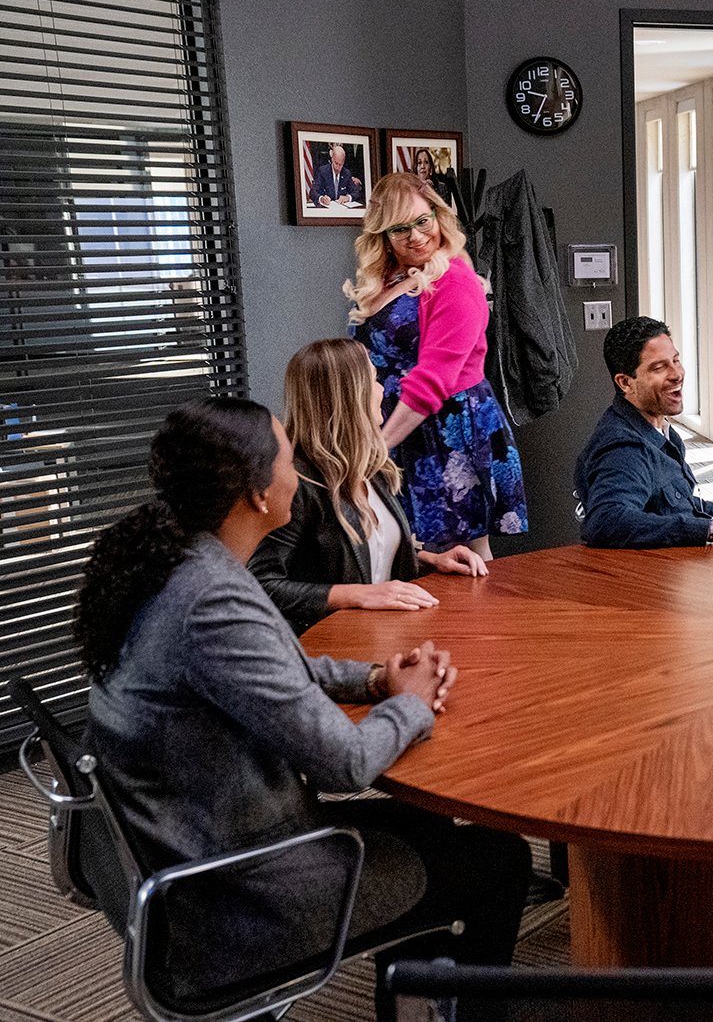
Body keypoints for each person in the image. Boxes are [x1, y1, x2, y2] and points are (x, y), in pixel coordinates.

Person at [76, 397, 530, 1020]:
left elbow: (274, 671)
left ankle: (414, 1004)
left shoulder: (180, 564)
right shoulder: (214, 600)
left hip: (200, 842)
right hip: (237, 894)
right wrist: (412, 704)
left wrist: (376, 681)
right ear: (257, 494)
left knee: (439, 831)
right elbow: (346, 764)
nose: (300, 471)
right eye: (289, 457)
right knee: (498, 859)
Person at [249, 338, 489, 635]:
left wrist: (431, 560)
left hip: (387, 632)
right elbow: (261, 585)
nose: (383, 390)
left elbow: (368, 557)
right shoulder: (296, 482)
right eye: (374, 380)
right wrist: (355, 595)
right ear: (350, 395)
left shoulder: (371, 467)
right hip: (329, 644)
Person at [345, 171, 527, 559]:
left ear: (438, 217)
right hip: (398, 426)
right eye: (399, 229)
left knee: (463, 558)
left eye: (422, 221)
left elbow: (432, 382)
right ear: (383, 236)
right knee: (413, 555)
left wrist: (375, 449)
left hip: (446, 428)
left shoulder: (455, 282)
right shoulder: (390, 279)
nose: (415, 236)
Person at [575, 315, 713, 548]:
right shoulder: (625, 448)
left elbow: (672, 503)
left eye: (675, 360)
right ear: (626, 383)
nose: (677, 374)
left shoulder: (661, 430)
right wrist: (712, 529)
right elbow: (605, 522)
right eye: (659, 367)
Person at [310, 142, 362, 207]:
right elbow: (313, 192)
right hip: (326, 210)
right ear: (332, 159)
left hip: (342, 210)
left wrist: (348, 197)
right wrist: (321, 198)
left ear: (343, 162)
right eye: (336, 163)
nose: (337, 167)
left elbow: (356, 192)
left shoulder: (346, 173)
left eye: (340, 165)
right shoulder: (322, 171)